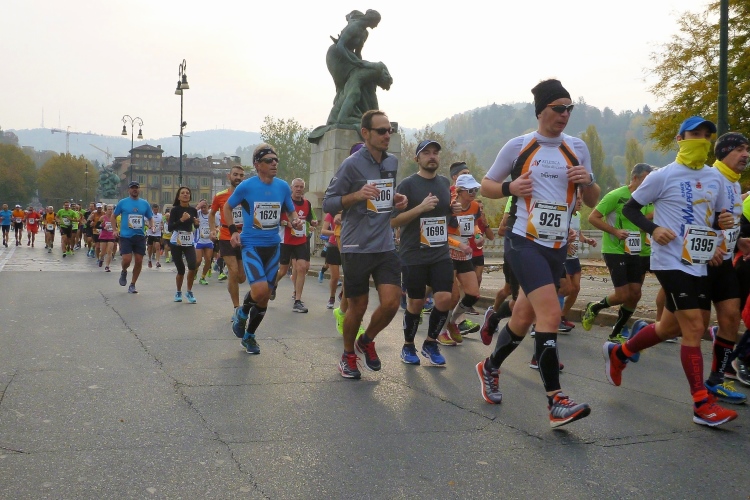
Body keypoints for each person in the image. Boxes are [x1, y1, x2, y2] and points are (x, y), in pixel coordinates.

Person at [476, 79, 600, 428]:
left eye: (569, 108)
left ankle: (489, 367)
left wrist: (587, 180)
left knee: (522, 317)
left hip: (556, 245)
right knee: (550, 313)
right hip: (524, 241)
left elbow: (593, 200)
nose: (565, 114)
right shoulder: (519, 145)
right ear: (541, 111)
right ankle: (556, 401)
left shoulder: (577, 147)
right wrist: (510, 187)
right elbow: (486, 185)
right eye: (558, 108)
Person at [607, 116, 740, 427]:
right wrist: (654, 229)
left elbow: (715, 217)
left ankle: (620, 353)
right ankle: (701, 404)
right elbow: (629, 209)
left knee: (669, 327)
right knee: (694, 326)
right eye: (695, 134)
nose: (702, 140)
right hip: (669, 260)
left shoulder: (715, 178)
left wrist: (721, 227)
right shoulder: (662, 176)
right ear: (680, 139)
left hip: (699, 260)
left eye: (707, 135)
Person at [323, 110, 408, 378]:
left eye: (389, 130)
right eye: (381, 131)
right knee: (357, 307)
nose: (387, 135)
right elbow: (329, 203)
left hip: (384, 244)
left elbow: (385, 196)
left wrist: (396, 200)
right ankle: (348, 355)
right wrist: (357, 195)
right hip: (356, 246)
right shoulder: (351, 165)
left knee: (392, 302)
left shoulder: (391, 161)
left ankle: (367, 340)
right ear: (366, 133)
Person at [225, 144, 302, 354]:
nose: (274, 163)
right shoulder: (246, 187)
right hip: (251, 245)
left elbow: (291, 211)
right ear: (258, 165)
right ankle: (242, 313)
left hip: (273, 246)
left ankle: (249, 336)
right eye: (269, 160)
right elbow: (228, 207)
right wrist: (233, 231)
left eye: (276, 160)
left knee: (265, 296)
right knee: (259, 291)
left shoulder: (283, 187)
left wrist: (295, 221)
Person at [390, 139, 455, 366]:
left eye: (435, 152)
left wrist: (454, 211)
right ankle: (408, 345)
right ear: (417, 158)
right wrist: (420, 208)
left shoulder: (444, 183)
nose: (432, 156)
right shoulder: (407, 185)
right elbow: (393, 221)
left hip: (440, 253)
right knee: (416, 303)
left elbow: (446, 216)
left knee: (444, 298)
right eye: (426, 153)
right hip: (414, 253)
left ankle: (430, 343)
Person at [583, 163, 654, 341]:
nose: (649, 184)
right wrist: (615, 231)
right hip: (615, 249)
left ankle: (616, 332)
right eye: (646, 179)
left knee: (635, 294)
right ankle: (594, 307)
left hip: (636, 250)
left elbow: (643, 221)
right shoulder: (616, 195)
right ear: (635, 178)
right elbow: (593, 217)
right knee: (622, 295)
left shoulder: (648, 199)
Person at [438, 174, 485, 346]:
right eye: (470, 190)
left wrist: (478, 235)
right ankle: (441, 331)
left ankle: (452, 323)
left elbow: (475, 224)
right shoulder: (450, 207)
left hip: (465, 254)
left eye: (475, 190)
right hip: (448, 253)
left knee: (473, 294)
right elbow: (441, 232)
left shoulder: (474, 206)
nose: (473, 193)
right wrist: (459, 244)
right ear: (459, 191)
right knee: (452, 296)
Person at [271, 178, 318, 312]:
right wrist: (288, 223)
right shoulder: (285, 202)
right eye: (296, 186)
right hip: (286, 240)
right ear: (291, 188)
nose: (298, 189)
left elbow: (309, 218)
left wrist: (313, 222)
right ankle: (274, 283)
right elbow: (278, 220)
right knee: (283, 270)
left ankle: (297, 301)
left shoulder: (307, 203)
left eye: (301, 187)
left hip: (301, 240)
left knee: (302, 267)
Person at [210, 165, 247, 317]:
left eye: (241, 175)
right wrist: (213, 229)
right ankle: (237, 308)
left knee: (241, 278)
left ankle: (231, 277)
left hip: (244, 236)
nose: (238, 177)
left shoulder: (248, 195)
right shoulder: (220, 196)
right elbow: (212, 214)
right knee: (234, 270)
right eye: (235, 174)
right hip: (226, 235)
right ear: (229, 176)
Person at [113, 181, 154, 294]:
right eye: (132, 188)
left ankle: (132, 284)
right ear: (129, 190)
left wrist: (152, 225)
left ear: (139, 190)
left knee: (139, 261)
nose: (134, 190)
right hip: (126, 236)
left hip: (140, 236)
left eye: (136, 188)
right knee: (127, 260)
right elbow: (113, 216)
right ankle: (124, 270)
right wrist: (115, 230)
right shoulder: (123, 202)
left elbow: (150, 217)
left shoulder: (144, 203)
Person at [169, 187, 200, 303]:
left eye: (187, 193)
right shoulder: (175, 210)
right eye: (182, 193)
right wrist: (181, 220)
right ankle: (178, 291)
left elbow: (195, 226)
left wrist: (196, 224)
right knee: (181, 269)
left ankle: (189, 291)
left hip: (188, 240)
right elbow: (170, 227)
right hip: (176, 241)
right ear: (178, 197)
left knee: (192, 265)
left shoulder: (193, 210)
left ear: (190, 196)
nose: (185, 194)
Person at [321, 211, 342, 309]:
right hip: (333, 246)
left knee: (349, 275)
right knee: (335, 277)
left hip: (348, 246)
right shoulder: (331, 214)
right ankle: (332, 297)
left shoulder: (351, 211)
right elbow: (323, 231)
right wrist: (336, 233)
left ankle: (342, 294)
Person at [194, 199, 214, 285]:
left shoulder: (212, 214)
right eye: (201, 207)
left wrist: (215, 230)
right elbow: (191, 213)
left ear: (208, 206)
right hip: (199, 240)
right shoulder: (197, 213)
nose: (203, 209)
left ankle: (202, 277)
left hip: (209, 241)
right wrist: (198, 206)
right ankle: (195, 271)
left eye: (204, 207)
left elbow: (217, 225)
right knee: (198, 260)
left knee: (208, 260)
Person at [96, 205, 117, 272]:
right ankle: (101, 258)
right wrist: (103, 227)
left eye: (111, 209)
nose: (110, 211)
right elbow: (97, 226)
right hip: (103, 236)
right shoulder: (102, 217)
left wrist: (116, 230)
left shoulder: (114, 217)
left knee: (109, 251)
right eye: (109, 209)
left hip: (111, 236)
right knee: (103, 252)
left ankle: (107, 266)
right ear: (106, 210)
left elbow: (116, 226)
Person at [147, 203, 163, 269]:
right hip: (150, 233)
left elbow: (161, 222)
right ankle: (149, 259)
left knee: (157, 246)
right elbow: (146, 222)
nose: (156, 211)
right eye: (154, 210)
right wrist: (149, 226)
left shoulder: (160, 215)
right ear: (152, 209)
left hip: (157, 233)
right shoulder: (149, 215)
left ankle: (157, 262)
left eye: (157, 210)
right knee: (150, 247)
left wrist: (161, 226)